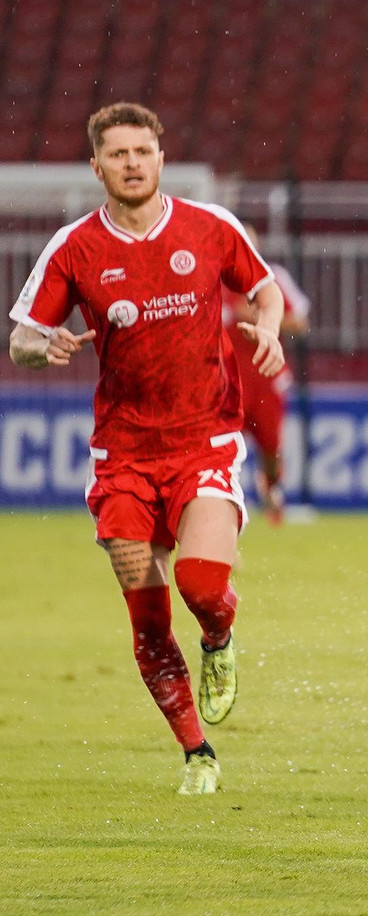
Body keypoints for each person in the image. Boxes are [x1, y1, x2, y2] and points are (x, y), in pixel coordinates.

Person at [7, 102, 285, 795]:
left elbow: (264, 287)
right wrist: (46, 347)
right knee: (147, 610)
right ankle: (198, 752)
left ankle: (219, 640)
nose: (132, 163)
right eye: (118, 153)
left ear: (161, 158)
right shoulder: (74, 247)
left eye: (143, 150)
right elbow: (20, 339)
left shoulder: (210, 227)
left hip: (206, 440)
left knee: (200, 584)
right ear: (97, 165)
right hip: (123, 457)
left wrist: (271, 329)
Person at [223, 225, 310, 526]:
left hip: (266, 382)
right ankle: (221, 513)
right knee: (218, 453)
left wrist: (263, 319)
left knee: (271, 451)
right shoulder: (212, 279)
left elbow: (300, 322)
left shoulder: (271, 279)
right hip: (223, 386)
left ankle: (271, 489)